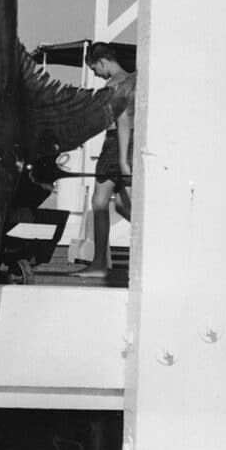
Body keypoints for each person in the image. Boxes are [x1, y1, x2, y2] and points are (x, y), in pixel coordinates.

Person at [76, 41, 134, 278]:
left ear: (102, 62)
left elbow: (120, 122)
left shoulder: (114, 86)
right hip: (132, 143)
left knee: (99, 203)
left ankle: (99, 263)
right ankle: (160, 243)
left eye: (94, 69)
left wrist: (121, 159)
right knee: (122, 204)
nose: (96, 75)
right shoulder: (134, 80)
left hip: (115, 144)